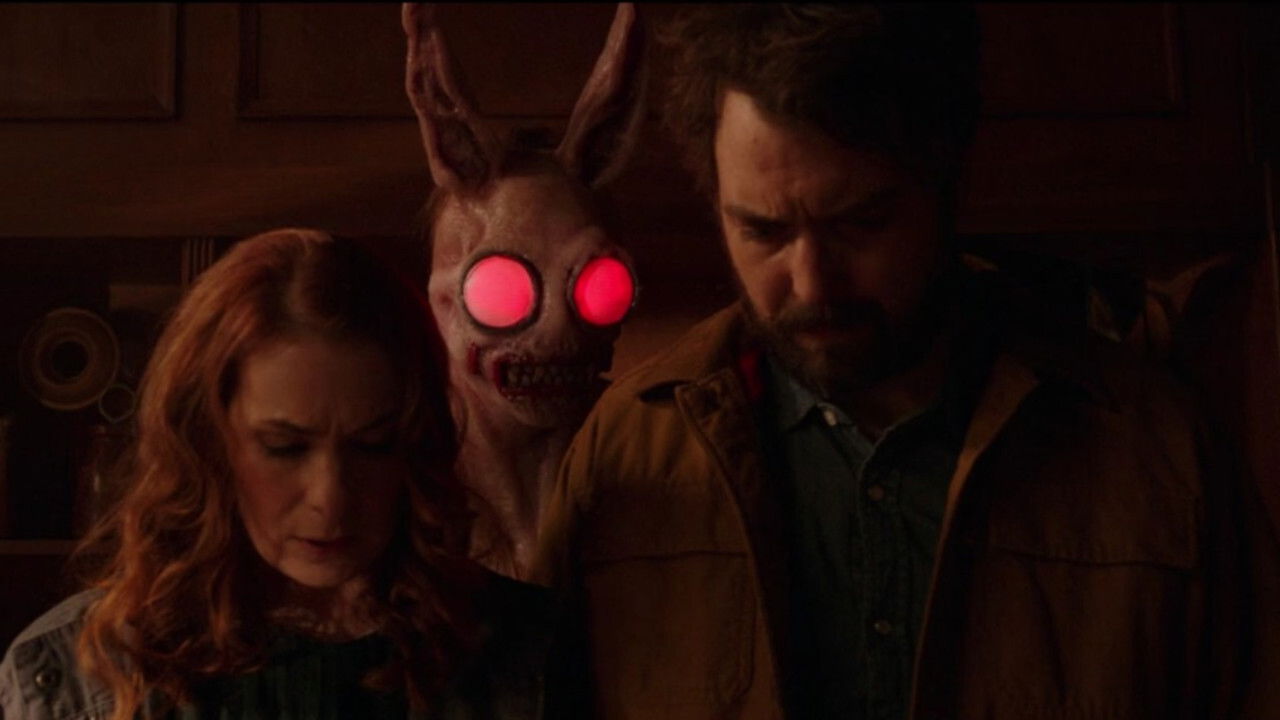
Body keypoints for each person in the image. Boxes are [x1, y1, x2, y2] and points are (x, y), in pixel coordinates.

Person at [534, 4, 1277, 719]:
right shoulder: (621, 455)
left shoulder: (1158, 457)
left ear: (947, 181)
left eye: (861, 223)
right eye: (763, 231)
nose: (812, 283)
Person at [0, 229, 551, 719]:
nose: (331, 498)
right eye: (285, 448)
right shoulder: (79, 676)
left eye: (372, 445)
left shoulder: (526, 656)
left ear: (417, 440)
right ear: (209, 442)